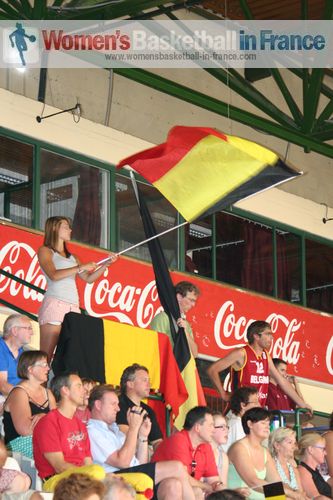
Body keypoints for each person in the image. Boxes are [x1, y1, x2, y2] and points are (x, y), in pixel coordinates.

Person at [87, 384, 195, 500]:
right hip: (114, 478)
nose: (118, 409)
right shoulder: (93, 430)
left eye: (118, 404)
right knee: (177, 467)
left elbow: (139, 465)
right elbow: (122, 462)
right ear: (98, 405)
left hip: (132, 474)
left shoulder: (115, 429)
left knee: (173, 485)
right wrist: (133, 428)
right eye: (113, 404)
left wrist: (143, 436)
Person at [38, 216, 118, 362]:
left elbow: (88, 278)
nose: (70, 230)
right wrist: (80, 267)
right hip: (56, 304)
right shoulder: (46, 251)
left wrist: (106, 264)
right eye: (66, 227)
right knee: (45, 357)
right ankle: (39, 384)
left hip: (73, 307)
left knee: (71, 355)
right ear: (55, 228)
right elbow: (54, 275)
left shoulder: (73, 257)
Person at [207, 320, 311, 410]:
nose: (272, 338)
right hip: (240, 411)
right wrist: (223, 394)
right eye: (268, 334)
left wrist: (302, 404)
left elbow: (281, 381)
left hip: (257, 412)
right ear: (256, 336)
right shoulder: (241, 353)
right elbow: (212, 370)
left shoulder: (266, 355)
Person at [32, 373, 105, 491]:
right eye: (79, 386)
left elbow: (88, 462)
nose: (85, 391)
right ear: (65, 390)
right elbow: (59, 466)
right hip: (57, 480)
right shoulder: (48, 423)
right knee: (97, 472)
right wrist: (91, 476)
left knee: (141, 481)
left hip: (83, 477)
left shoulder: (80, 425)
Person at [152, 406, 223, 496]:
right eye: (210, 425)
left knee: (199, 491)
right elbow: (183, 477)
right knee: (177, 485)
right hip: (157, 491)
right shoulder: (179, 440)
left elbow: (214, 480)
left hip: (184, 490)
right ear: (197, 428)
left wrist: (221, 488)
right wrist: (206, 486)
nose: (213, 430)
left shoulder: (206, 446)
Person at [3, 350, 56, 458]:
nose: (48, 369)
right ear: (30, 369)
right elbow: (26, 430)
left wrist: (44, 418)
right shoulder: (19, 393)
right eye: (44, 365)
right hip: (19, 446)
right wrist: (48, 420)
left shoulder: (48, 393)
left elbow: (58, 422)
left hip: (44, 440)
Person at [227, 407, 281, 499]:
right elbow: (253, 482)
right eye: (263, 423)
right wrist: (286, 494)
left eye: (268, 423)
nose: (267, 426)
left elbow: (276, 482)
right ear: (250, 424)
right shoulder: (239, 448)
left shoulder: (265, 451)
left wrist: (291, 494)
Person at [116, 364, 163, 449]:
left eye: (149, 380)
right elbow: (126, 438)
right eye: (145, 380)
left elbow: (157, 441)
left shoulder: (149, 410)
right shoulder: (118, 405)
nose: (149, 384)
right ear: (130, 384)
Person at [149, 281, 199, 358]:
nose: (193, 305)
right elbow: (155, 348)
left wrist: (185, 332)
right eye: (191, 300)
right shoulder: (163, 318)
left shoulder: (186, 324)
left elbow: (195, 354)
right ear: (179, 297)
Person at [268, 427, 307, 499]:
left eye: (294, 443)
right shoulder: (269, 466)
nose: (294, 447)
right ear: (277, 445)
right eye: (290, 442)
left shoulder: (294, 470)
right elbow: (273, 496)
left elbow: (302, 494)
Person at [0, 314, 33, 396]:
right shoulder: (1, 349)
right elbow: (2, 386)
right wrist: (29, 397)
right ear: (14, 331)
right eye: (28, 328)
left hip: (15, 396)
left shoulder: (21, 352)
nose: (32, 333)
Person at [296, 432, 332, 499]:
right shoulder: (303, 471)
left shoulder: (315, 470)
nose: (326, 453)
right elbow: (316, 497)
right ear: (311, 450)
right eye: (322, 449)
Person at [223, 387, 259, 452]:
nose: (259, 405)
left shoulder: (241, 422)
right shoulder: (236, 424)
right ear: (243, 405)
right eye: (255, 402)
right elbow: (241, 451)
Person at [211, 412, 229, 486]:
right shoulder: (198, 452)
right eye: (222, 427)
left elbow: (223, 487)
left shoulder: (223, 456)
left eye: (227, 427)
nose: (226, 430)